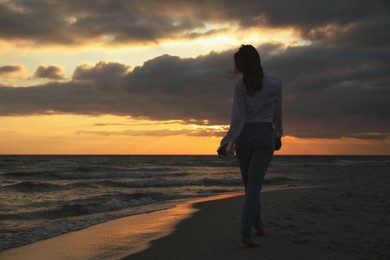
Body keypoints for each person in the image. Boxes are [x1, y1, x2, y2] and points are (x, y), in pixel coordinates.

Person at [217, 44, 283, 247]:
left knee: (251, 185)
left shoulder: (240, 85)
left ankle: (250, 230)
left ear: (246, 64)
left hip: (245, 136)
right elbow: (277, 113)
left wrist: (227, 140)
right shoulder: (275, 83)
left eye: (240, 64)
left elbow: (238, 117)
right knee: (253, 185)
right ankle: (255, 228)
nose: (239, 69)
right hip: (264, 135)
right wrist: (278, 134)